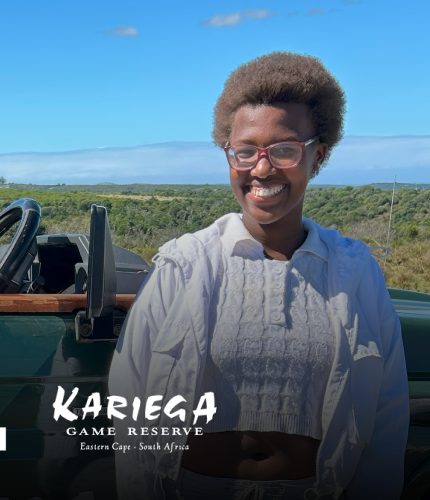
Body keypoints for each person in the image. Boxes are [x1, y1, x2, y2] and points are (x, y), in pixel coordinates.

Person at [108, 52, 408, 500]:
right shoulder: (185, 264)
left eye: (284, 149)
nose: (261, 168)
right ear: (228, 154)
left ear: (317, 155)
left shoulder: (354, 271)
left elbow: (386, 415)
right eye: (245, 151)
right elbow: (130, 402)